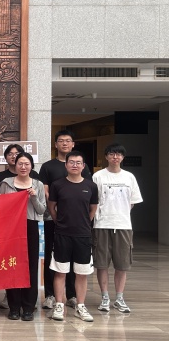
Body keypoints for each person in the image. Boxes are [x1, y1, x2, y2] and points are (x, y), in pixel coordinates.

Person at [39, 130, 92, 311]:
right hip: (53, 219)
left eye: (68, 141)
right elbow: (46, 191)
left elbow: (89, 194)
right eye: (61, 141)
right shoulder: (48, 166)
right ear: (55, 144)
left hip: (77, 223)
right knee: (52, 257)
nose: (64, 143)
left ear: (73, 144)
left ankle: (72, 295)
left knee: (74, 258)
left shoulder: (83, 167)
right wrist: (57, 215)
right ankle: (50, 295)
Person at [48, 151, 98, 322]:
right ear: (66, 165)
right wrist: (61, 223)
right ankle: (59, 305)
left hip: (83, 235)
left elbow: (93, 209)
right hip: (62, 234)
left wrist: (83, 223)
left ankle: (80, 306)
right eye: (71, 162)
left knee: (82, 273)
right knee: (60, 272)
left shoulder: (91, 186)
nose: (74, 165)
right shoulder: (57, 185)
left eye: (78, 162)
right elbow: (52, 207)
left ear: (83, 166)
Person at [92, 143, 143, 314]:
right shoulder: (98, 176)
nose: (115, 157)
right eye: (112, 154)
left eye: (119, 154)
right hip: (101, 224)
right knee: (102, 264)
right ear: (106, 156)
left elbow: (133, 202)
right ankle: (105, 297)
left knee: (122, 264)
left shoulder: (129, 177)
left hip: (123, 225)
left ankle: (119, 298)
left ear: (123, 157)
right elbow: (93, 201)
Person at [0, 153, 46, 321]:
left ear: (31, 166)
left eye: (26, 164)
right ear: (15, 165)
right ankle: (13, 307)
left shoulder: (38, 184)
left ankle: (28, 307)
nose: (23, 167)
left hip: (30, 226)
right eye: (20, 163)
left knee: (30, 267)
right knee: (12, 266)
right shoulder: (6, 183)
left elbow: (42, 210)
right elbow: (1, 207)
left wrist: (33, 197)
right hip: (11, 229)